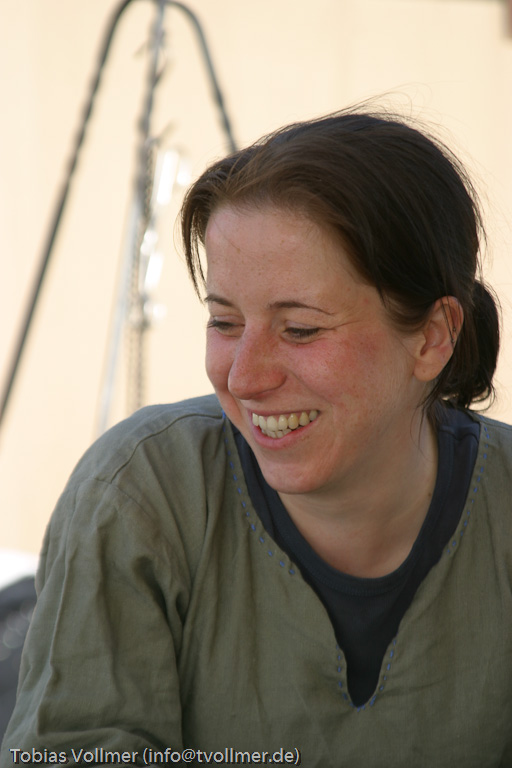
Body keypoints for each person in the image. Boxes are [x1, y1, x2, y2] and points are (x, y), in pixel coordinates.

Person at [1, 107, 511, 768]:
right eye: (224, 322)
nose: (243, 378)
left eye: (300, 329)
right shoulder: (137, 494)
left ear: (433, 337)